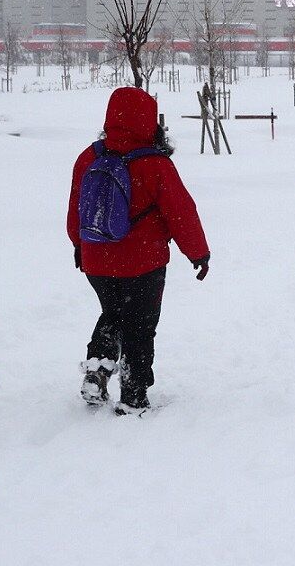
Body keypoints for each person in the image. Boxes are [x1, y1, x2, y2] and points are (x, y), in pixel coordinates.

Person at [67, 87, 210, 415]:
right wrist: (198, 253)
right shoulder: (155, 164)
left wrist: (78, 244)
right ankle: (133, 396)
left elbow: (77, 207)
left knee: (112, 314)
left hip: (96, 259)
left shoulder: (89, 157)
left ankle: (97, 370)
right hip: (143, 263)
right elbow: (181, 213)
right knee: (140, 327)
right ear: (148, 120)